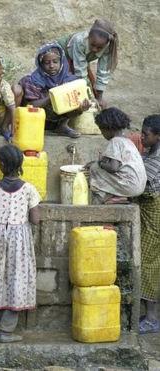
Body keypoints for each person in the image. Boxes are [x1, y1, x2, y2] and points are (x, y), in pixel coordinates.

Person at [0, 144, 40, 343]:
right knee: (16, 281)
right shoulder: (29, 189)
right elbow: (35, 219)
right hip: (19, 239)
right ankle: (6, 331)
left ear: (2, 165)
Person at [17, 42, 91, 138]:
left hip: (58, 118)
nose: (51, 66)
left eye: (55, 62)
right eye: (47, 63)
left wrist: (82, 107)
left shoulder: (70, 79)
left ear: (62, 62)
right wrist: (50, 97)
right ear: (41, 64)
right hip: (37, 119)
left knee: (74, 98)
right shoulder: (34, 80)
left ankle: (62, 126)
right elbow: (30, 106)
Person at [87, 107, 146, 204]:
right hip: (139, 187)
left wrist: (100, 163)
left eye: (101, 130)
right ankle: (120, 196)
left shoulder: (115, 141)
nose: (102, 133)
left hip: (130, 187)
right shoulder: (127, 141)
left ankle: (106, 197)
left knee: (94, 169)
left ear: (108, 128)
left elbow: (113, 167)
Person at [56, 19, 119, 109]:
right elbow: (80, 73)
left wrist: (99, 97)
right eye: (92, 45)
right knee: (68, 86)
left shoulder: (108, 46)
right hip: (62, 55)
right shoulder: (80, 40)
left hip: (80, 60)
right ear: (89, 37)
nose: (94, 49)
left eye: (99, 48)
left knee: (90, 86)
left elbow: (104, 72)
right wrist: (89, 97)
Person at [136, 114, 160, 334]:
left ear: (158, 137)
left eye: (146, 134)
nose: (142, 137)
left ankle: (152, 319)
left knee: (150, 262)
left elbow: (143, 183)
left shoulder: (158, 158)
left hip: (154, 213)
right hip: (148, 213)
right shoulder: (150, 153)